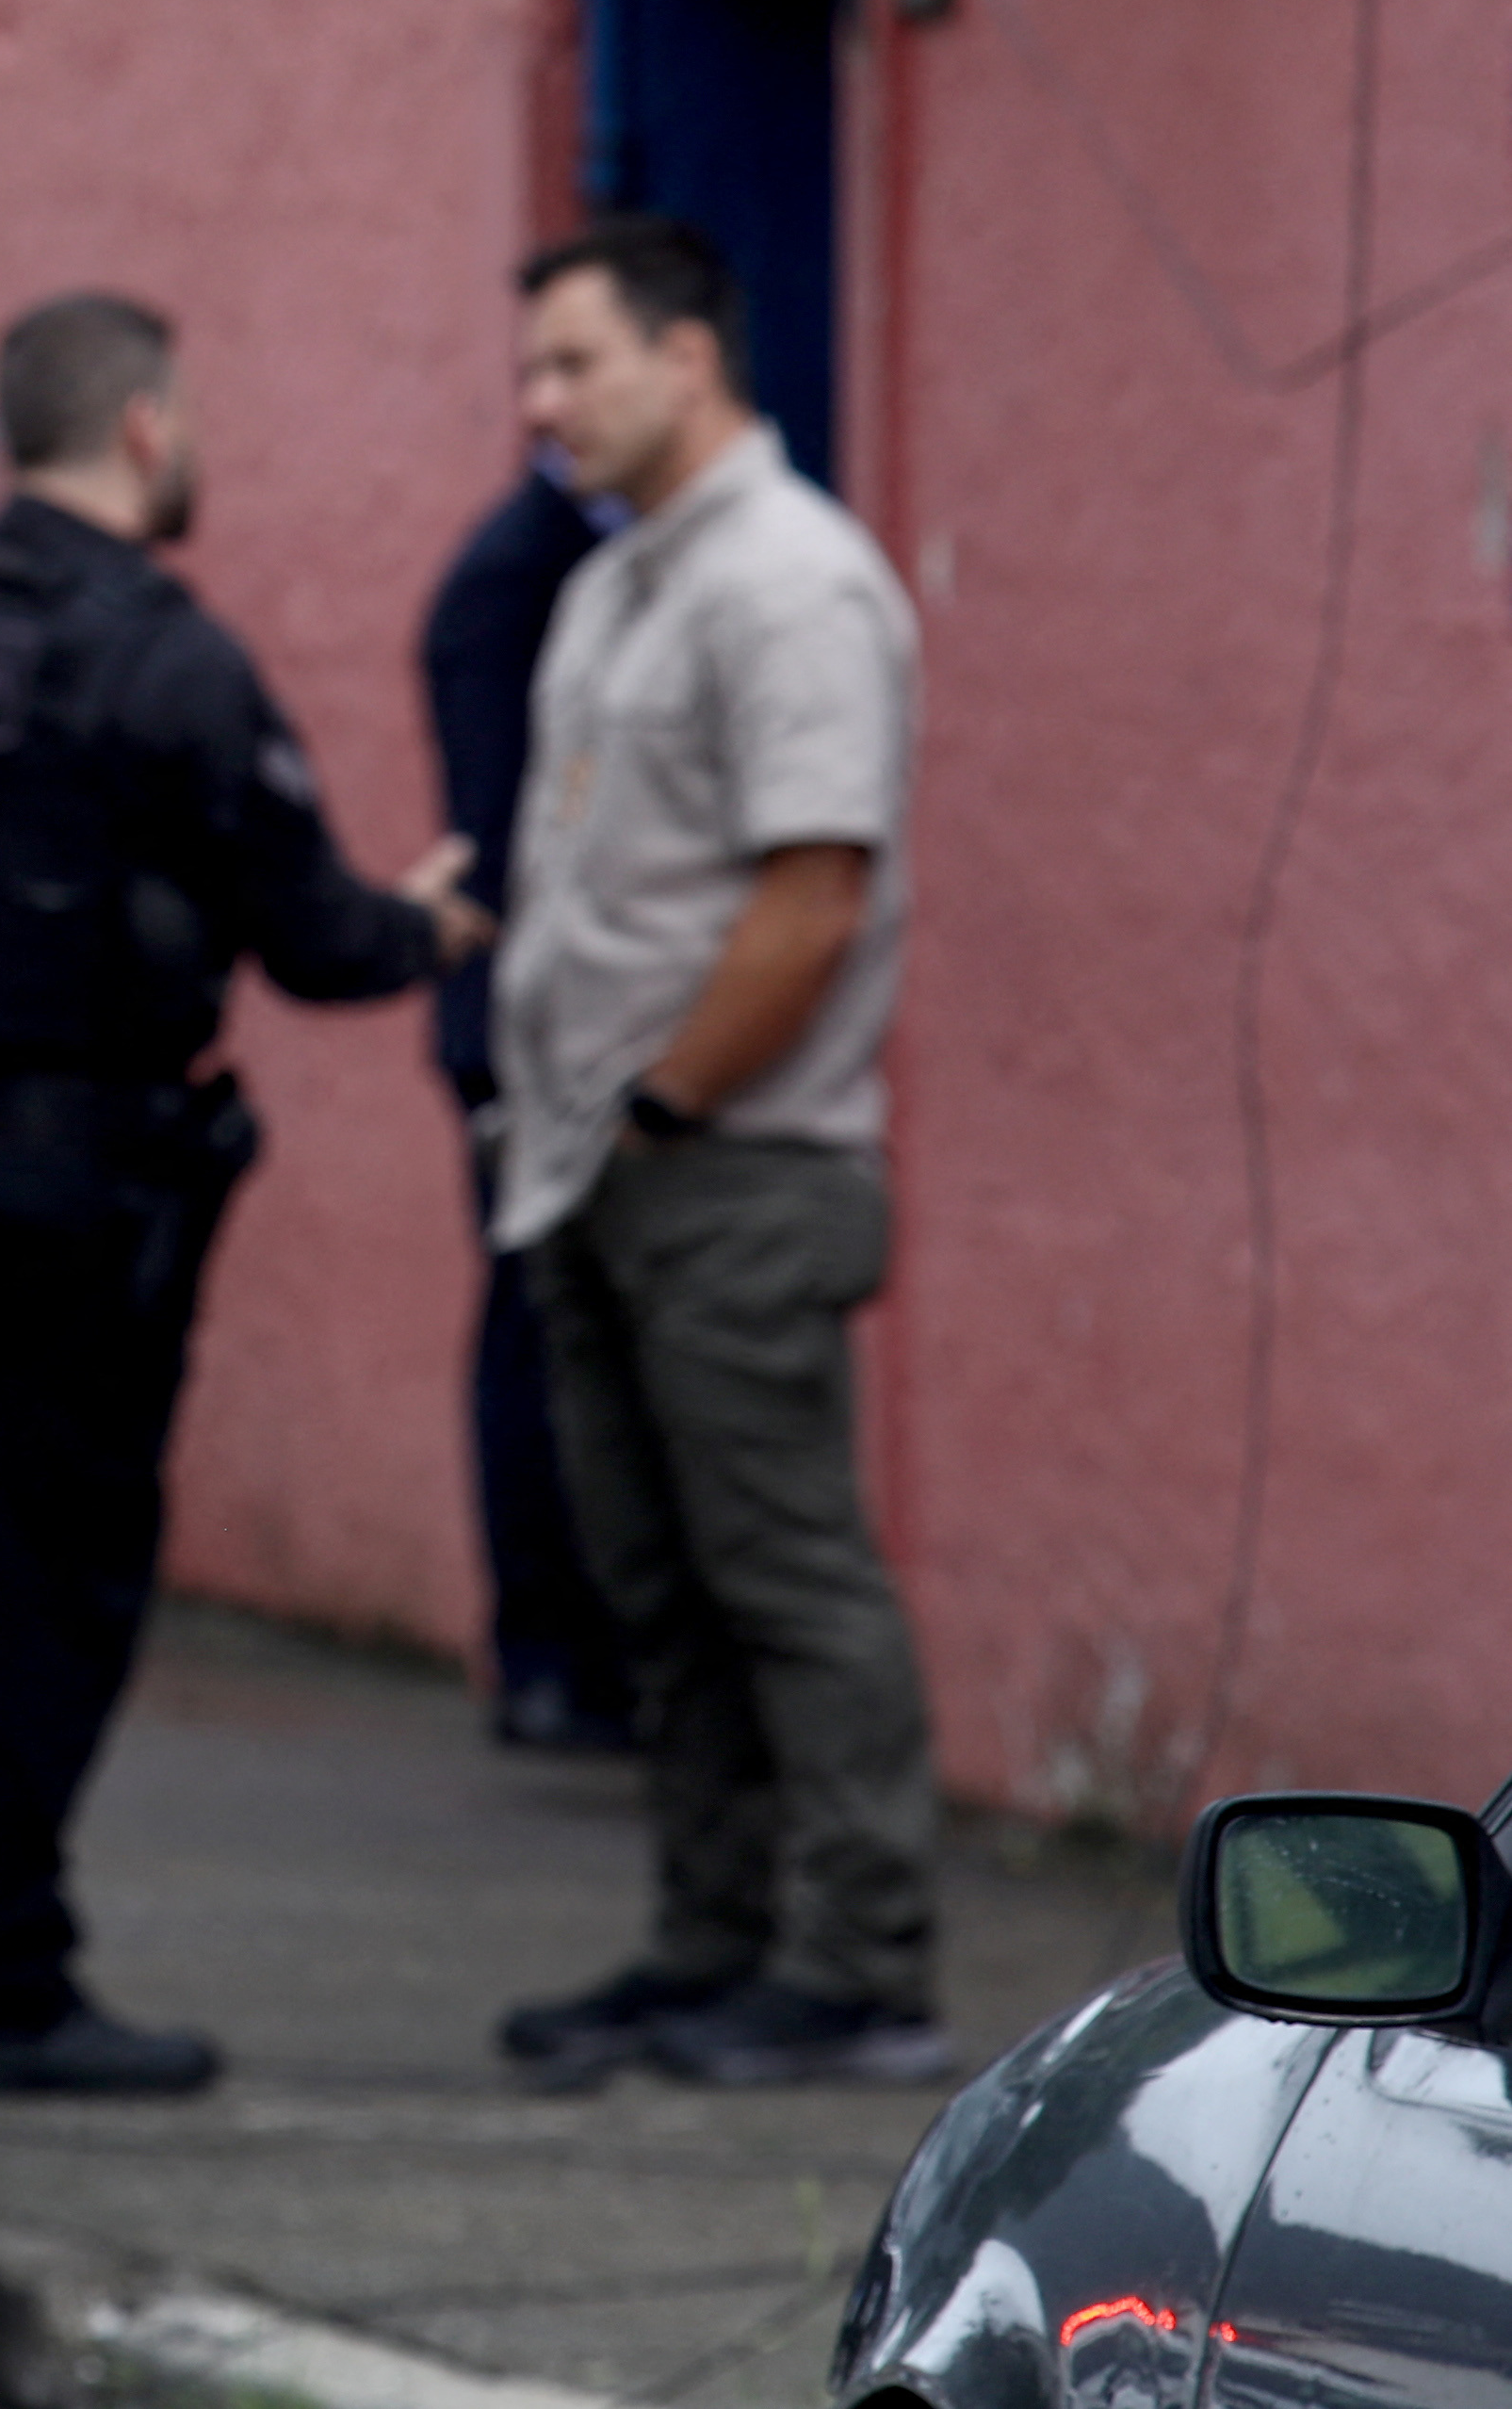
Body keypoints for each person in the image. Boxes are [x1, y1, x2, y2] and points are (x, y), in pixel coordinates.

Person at [0, 293, 485, 2096]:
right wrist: (434, 920)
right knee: (46, 1582)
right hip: (73, 1194)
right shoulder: (169, 657)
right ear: (151, 430)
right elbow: (318, 935)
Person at [483, 219, 939, 2092]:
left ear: (688, 359)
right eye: (534, 368)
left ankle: (853, 1963)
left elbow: (809, 896)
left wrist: (665, 1104)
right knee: (653, 1588)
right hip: (598, 1169)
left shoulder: (786, 582)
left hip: (730, 1167)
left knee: (780, 1576)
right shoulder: (622, 585)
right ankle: (706, 1943)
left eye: (574, 362)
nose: (541, 401)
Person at [419, 454, 639, 1754]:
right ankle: (548, 1649)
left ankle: (574, 1647)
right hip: (521, 1024)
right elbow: (508, 830)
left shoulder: (588, 560)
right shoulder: (518, 574)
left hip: (555, 1017)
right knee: (533, 1324)